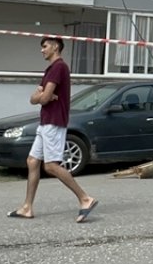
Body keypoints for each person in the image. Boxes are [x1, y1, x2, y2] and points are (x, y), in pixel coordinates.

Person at [7, 36, 98, 222]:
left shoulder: (59, 67)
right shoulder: (50, 69)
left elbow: (44, 97)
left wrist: (45, 96)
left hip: (54, 122)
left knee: (51, 166)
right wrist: (43, 96)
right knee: (33, 161)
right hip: (45, 122)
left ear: (55, 47)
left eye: (45, 46)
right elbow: (34, 98)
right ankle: (27, 207)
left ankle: (85, 198)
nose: (42, 50)